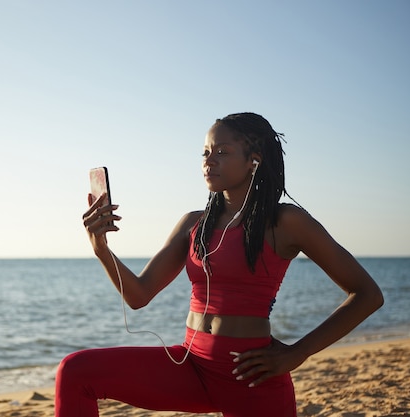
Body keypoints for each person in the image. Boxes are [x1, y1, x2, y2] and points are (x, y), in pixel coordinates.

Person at [55, 112, 383, 417]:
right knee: (75, 371)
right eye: (205, 152)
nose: (209, 161)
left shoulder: (285, 222)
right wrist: (100, 248)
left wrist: (297, 353)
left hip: (250, 374)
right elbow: (138, 295)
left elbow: (367, 294)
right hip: (190, 364)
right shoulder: (194, 224)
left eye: (222, 152)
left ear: (253, 161)